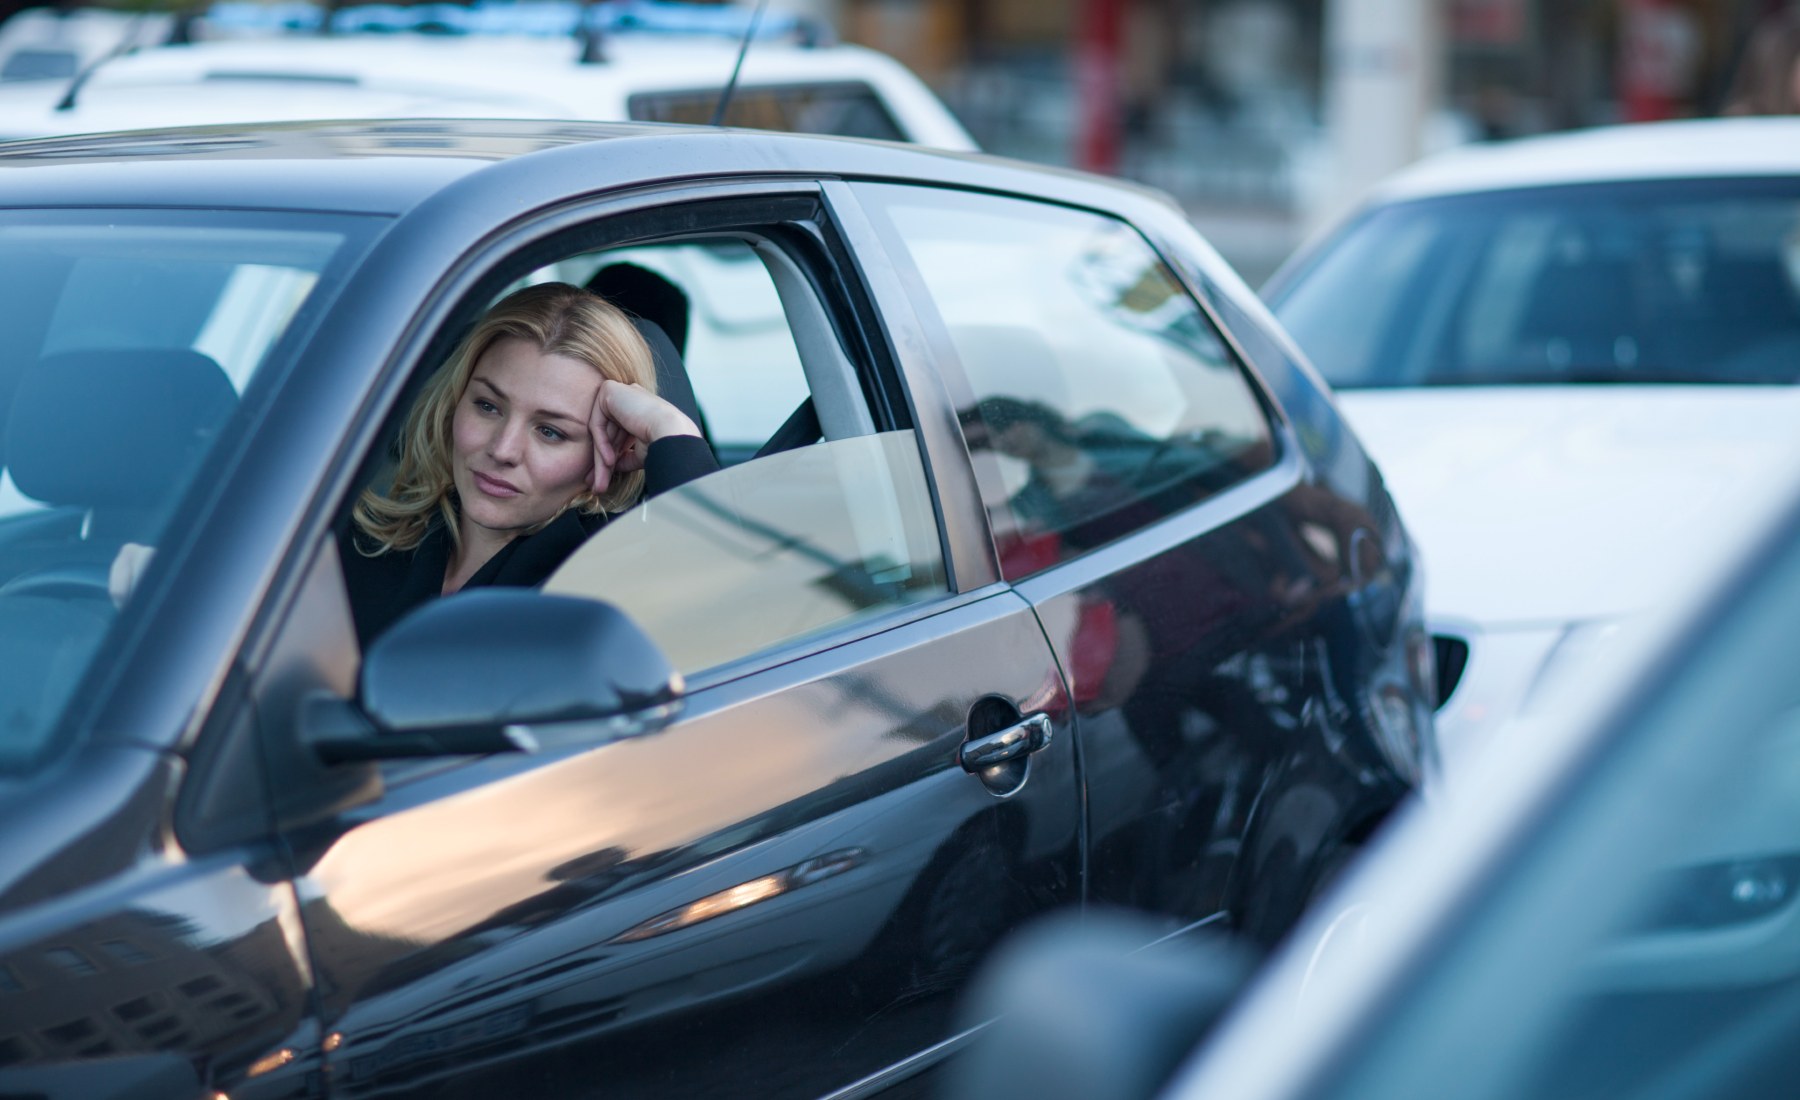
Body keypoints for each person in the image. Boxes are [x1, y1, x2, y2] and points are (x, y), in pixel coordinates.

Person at [340, 281, 717, 646]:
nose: (503, 449)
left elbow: (728, 598)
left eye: (550, 432)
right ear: (454, 401)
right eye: (488, 406)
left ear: (611, 448)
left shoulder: (605, 595)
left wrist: (669, 428)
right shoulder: (365, 543)